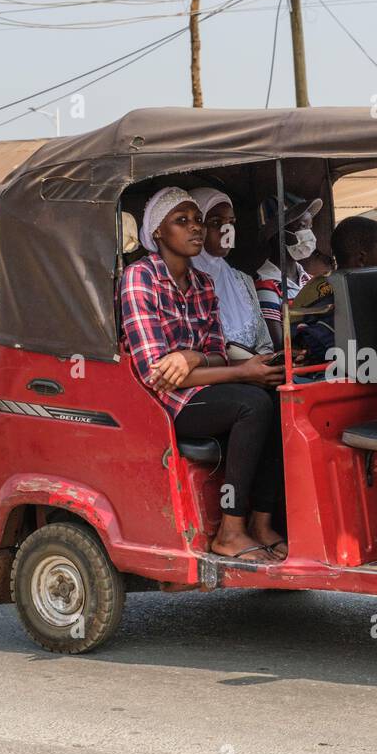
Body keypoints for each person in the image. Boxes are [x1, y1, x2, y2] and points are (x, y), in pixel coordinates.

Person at [119, 186, 288, 563]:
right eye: (182, 221)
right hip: (162, 405)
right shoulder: (139, 279)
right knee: (253, 405)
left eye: (197, 220)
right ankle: (230, 531)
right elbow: (157, 375)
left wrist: (192, 355)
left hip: (203, 389)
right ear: (158, 233)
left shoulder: (203, 284)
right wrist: (239, 371)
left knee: (280, 399)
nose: (195, 229)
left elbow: (213, 352)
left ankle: (262, 523)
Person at [189, 186, 274, 359]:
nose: (227, 231)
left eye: (231, 223)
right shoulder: (185, 282)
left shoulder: (243, 281)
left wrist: (266, 363)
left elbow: (265, 343)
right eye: (215, 222)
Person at [254, 195, 320, 350]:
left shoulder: (308, 279)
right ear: (277, 234)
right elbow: (280, 344)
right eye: (302, 227)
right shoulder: (266, 285)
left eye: (310, 227)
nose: (309, 234)